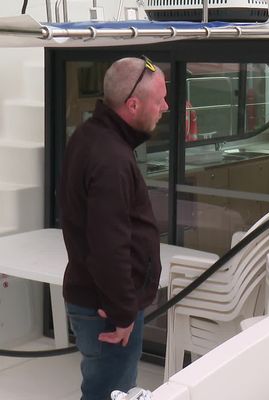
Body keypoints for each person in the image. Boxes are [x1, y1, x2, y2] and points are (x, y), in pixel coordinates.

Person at [59, 56, 169, 400]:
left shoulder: (93, 137)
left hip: (100, 301)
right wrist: (123, 314)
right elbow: (109, 248)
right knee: (109, 393)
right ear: (133, 104)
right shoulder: (110, 157)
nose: (165, 106)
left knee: (102, 388)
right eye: (159, 99)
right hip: (107, 311)